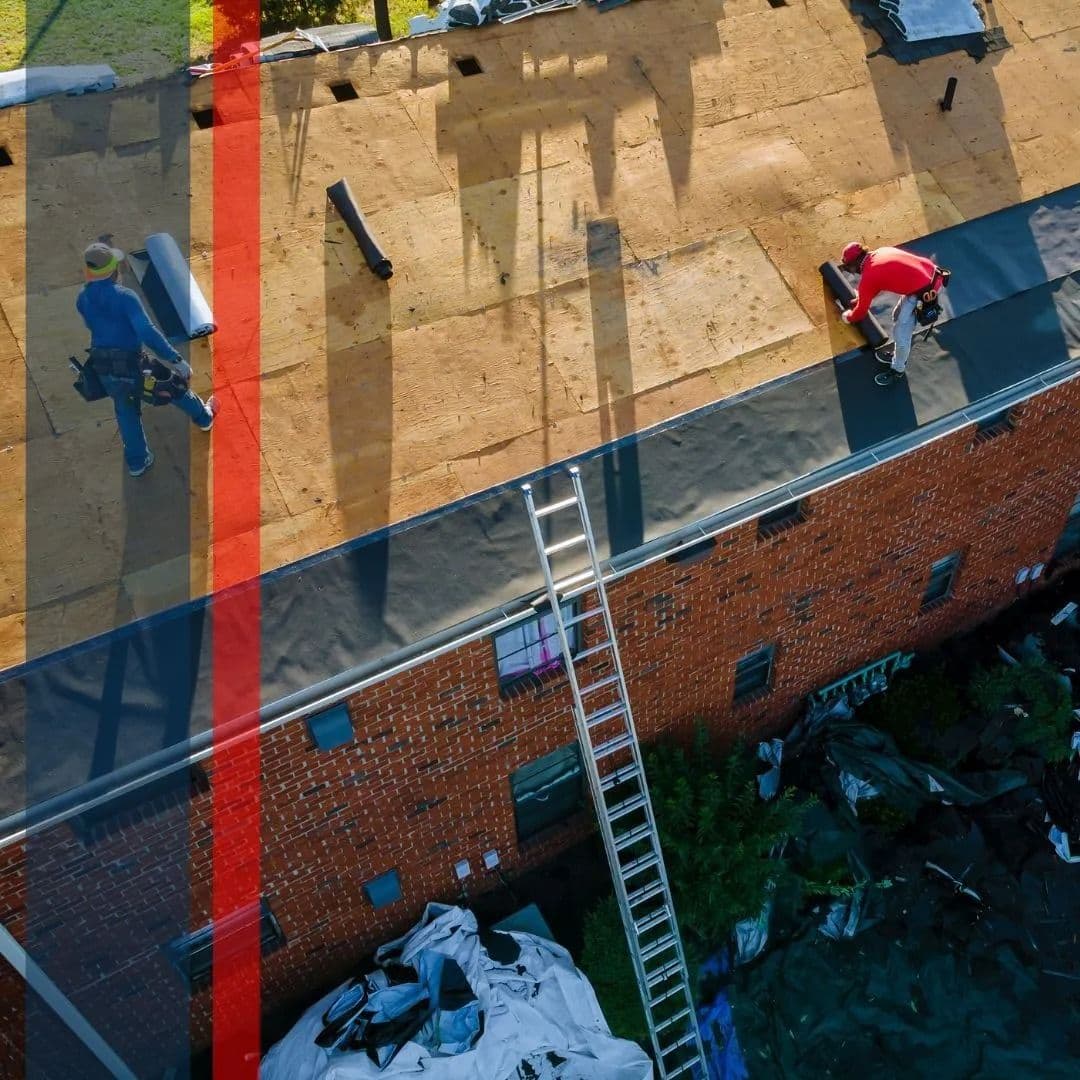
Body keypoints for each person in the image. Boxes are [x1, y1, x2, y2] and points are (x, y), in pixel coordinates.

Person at [76, 240, 219, 476]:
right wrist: (175, 359)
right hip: (133, 364)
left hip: (104, 366)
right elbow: (146, 331)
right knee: (174, 388)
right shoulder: (126, 297)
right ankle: (204, 418)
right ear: (113, 269)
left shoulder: (82, 299)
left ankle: (137, 461)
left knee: (125, 410)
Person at [839, 241, 943, 387]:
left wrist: (848, 317)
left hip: (925, 291)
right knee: (897, 315)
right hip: (932, 275)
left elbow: (861, 312)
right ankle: (899, 355)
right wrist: (862, 297)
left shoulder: (869, 275)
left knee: (901, 333)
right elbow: (875, 285)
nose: (851, 272)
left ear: (854, 263)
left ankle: (897, 370)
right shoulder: (880, 252)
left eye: (849, 268)